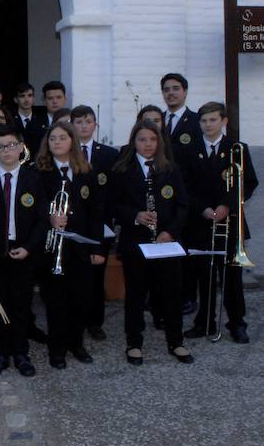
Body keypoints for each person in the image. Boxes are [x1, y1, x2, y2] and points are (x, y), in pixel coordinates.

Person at [111, 120, 193, 365]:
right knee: (136, 294)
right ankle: (134, 343)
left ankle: (176, 341)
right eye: (142, 139)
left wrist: (170, 231)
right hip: (135, 242)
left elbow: (182, 205)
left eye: (153, 139)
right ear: (134, 141)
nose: (148, 144)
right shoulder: (122, 170)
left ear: (160, 142)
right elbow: (113, 205)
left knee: (171, 293)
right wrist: (135, 216)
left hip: (165, 242)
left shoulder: (169, 169)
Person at [0, 125, 48, 377]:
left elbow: (42, 220)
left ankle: (21, 352)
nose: (7, 150)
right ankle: (0, 353)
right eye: (1, 146)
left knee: (21, 305)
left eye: (12, 145)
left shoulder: (33, 178)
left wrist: (28, 247)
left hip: (23, 252)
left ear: (21, 147)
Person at [183, 102, 258, 344]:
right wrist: (202, 208)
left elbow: (248, 182)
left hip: (231, 222)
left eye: (213, 120)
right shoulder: (190, 149)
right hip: (201, 221)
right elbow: (184, 186)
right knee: (203, 276)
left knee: (232, 278)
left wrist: (227, 204)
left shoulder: (237, 148)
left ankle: (237, 323)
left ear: (223, 121)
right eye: (204, 120)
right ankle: (204, 321)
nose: (207, 125)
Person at [35, 122, 105, 369]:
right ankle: (57, 350)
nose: (56, 142)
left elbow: (96, 212)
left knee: (81, 299)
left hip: (80, 247)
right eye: (52, 138)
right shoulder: (38, 172)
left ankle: (76, 343)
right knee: (55, 301)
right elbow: (33, 205)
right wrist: (49, 216)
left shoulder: (87, 172)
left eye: (62, 138)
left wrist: (97, 248)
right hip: (52, 248)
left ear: (72, 141)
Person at [70, 105, 119, 340]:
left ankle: (95, 322)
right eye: (78, 122)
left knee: (97, 274)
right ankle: (75, 319)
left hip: (101, 224)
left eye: (88, 121)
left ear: (95, 125)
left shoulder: (109, 155)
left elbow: (115, 192)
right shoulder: (65, 153)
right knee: (76, 275)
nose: (83, 126)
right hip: (73, 226)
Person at [160, 73, 203, 315]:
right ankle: (162, 296)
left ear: (185, 91)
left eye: (176, 88)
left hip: (187, 196)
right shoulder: (158, 120)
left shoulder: (197, 121)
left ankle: (188, 296)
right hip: (162, 196)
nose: (171, 93)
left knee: (186, 249)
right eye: (166, 89)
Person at [13, 83, 47, 156]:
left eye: (30, 95)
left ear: (34, 98)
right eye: (22, 96)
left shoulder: (42, 119)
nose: (26, 99)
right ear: (16, 99)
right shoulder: (10, 120)